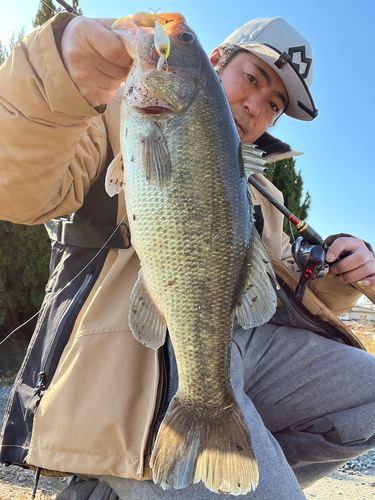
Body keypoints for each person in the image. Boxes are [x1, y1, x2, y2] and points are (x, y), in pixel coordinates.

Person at [0, 11, 374, 500]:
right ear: (215, 62)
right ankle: (163, 476)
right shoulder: (111, 114)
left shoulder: (260, 190)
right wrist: (56, 73)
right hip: (139, 356)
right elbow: (17, 188)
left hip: (233, 346)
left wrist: (343, 277)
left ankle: (204, 470)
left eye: (274, 104)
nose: (254, 106)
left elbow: (273, 296)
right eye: (253, 79)